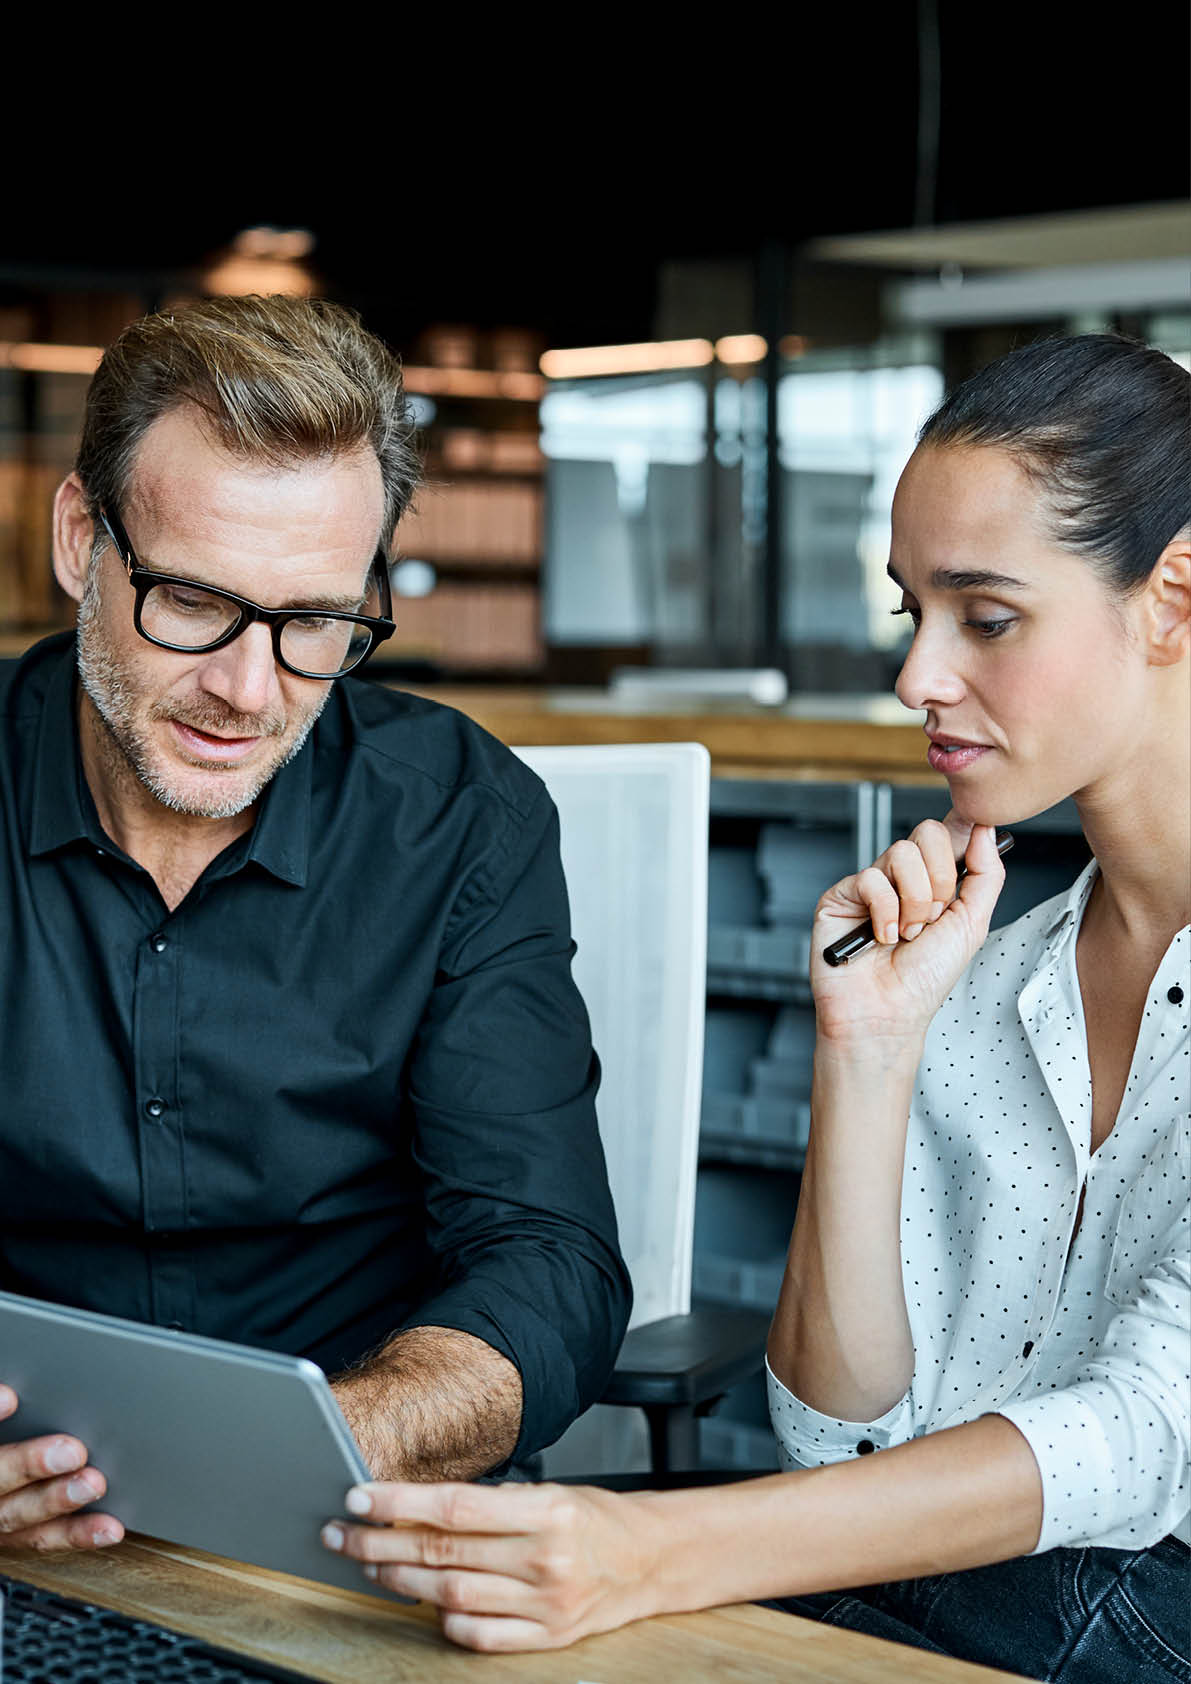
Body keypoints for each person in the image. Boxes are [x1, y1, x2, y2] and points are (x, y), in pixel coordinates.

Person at [322, 334, 1190, 1680]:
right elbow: (835, 1438)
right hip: (946, 1599)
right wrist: (869, 1051)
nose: (914, 678)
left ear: (1169, 599)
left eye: (987, 616)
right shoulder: (994, 975)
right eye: (912, 612)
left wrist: (651, 1552)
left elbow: (1145, 1437)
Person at [0, 295, 630, 1554]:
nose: (246, 690)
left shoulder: (462, 821)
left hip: (354, 1521)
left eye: (314, 624)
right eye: (189, 600)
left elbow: (548, 1265)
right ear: (83, 540)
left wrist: (323, 1445)